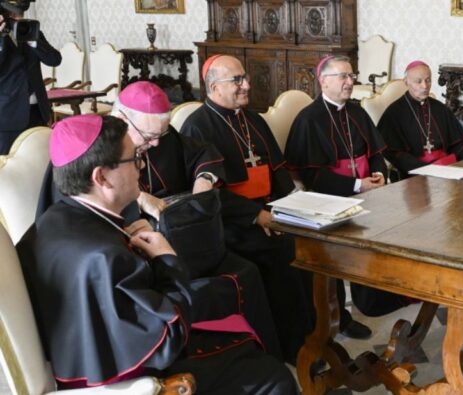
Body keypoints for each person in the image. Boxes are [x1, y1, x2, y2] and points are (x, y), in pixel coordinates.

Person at [17, 114, 314, 395]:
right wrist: (167, 260)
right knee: (273, 378)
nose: (141, 168)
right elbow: (166, 337)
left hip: (99, 370)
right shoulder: (102, 255)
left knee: (245, 351)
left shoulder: (54, 221)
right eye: (134, 159)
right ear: (101, 177)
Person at [35, 81, 285, 359]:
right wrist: (138, 198)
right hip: (131, 258)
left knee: (246, 271)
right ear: (121, 119)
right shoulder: (85, 150)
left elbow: (201, 151)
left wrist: (205, 178)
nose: (155, 145)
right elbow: (78, 213)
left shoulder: (160, 135)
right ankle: (205, 357)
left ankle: (263, 355)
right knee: (219, 282)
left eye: (160, 135)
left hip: (175, 238)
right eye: (148, 136)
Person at [179, 56, 315, 357]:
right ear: (214, 86)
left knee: (308, 245)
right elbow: (209, 195)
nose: (247, 85)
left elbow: (277, 169)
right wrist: (257, 216)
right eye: (237, 80)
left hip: (270, 210)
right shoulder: (197, 127)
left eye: (245, 78)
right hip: (232, 224)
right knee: (285, 257)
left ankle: (316, 334)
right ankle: (290, 348)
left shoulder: (252, 119)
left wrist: (287, 207)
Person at [284, 55, 411, 334]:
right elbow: (311, 175)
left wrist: (379, 174)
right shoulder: (309, 119)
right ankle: (339, 316)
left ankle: (380, 296)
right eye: (342, 76)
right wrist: (357, 186)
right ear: (323, 81)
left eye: (351, 76)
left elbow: (376, 153)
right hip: (330, 197)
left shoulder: (356, 112)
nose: (349, 82)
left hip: (368, 190)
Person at [378, 60, 463, 178]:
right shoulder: (394, 113)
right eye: (418, 81)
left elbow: (458, 144)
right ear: (406, 82)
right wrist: (426, 170)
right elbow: (394, 153)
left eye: (428, 80)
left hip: (447, 168)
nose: (425, 86)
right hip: (415, 173)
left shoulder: (440, 108)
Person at [0, 0, 60, 155]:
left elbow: (55, 59)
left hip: (38, 112)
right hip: (8, 117)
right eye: (12, 14)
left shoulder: (32, 32)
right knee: (9, 169)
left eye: (20, 13)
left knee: (42, 159)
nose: (18, 17)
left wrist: (33, 42)